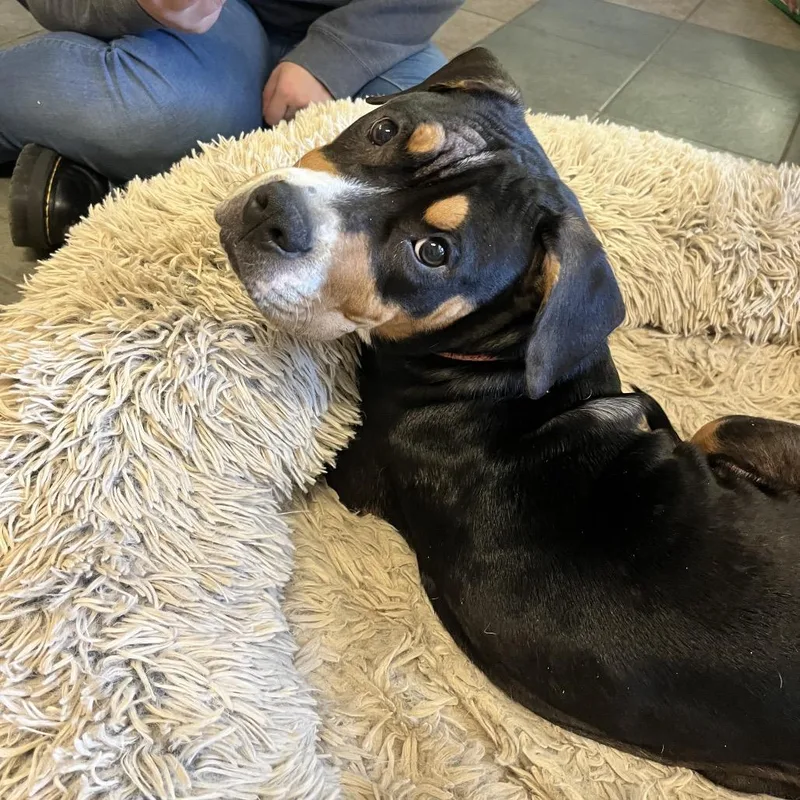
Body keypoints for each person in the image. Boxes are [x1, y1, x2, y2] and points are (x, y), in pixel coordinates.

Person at [1, 0, 458, 253]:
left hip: (369, 20)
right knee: (170, 116)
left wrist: (333, 58)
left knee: (442, 145)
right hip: (218, 20)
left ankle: (106, 181)